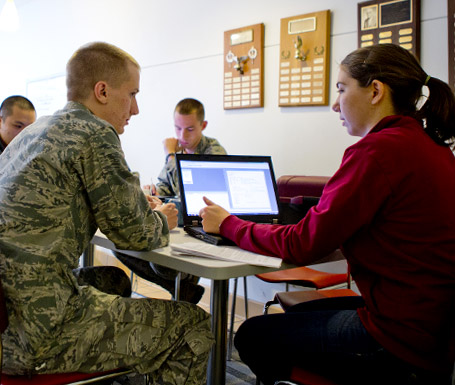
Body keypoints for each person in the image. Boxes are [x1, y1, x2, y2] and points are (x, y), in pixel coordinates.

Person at [199, 44, 455, 385]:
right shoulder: (431, 146)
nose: (336, 104)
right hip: (432, 332)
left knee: (253, 334)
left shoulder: (377, 151)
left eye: (341, 89)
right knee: (300, 313)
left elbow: (305, 243)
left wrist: (228, 224)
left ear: (376, 91)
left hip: (396, 342)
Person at [0, 42, 213, 382]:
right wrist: (163, 218)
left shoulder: (35, 132)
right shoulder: (95, 135)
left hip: (10, 316)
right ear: (102, 91)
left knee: (112, 280)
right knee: (194, 326)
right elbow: (137, 234)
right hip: (37, 333)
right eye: (132, 94)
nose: (136, 108)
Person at [114, 98, 227, 304]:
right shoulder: (177, 152)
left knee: (162, 261)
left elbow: (194, 197)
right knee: (121, 244)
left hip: (202, 228)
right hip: (177, 227)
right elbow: (164, 187)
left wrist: (171, 157)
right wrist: (154, 197)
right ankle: (182, 289)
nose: (182, 136)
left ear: (203, 126)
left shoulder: (214, 152)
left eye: (190, 129)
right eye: (178, 128)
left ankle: (181, 288)